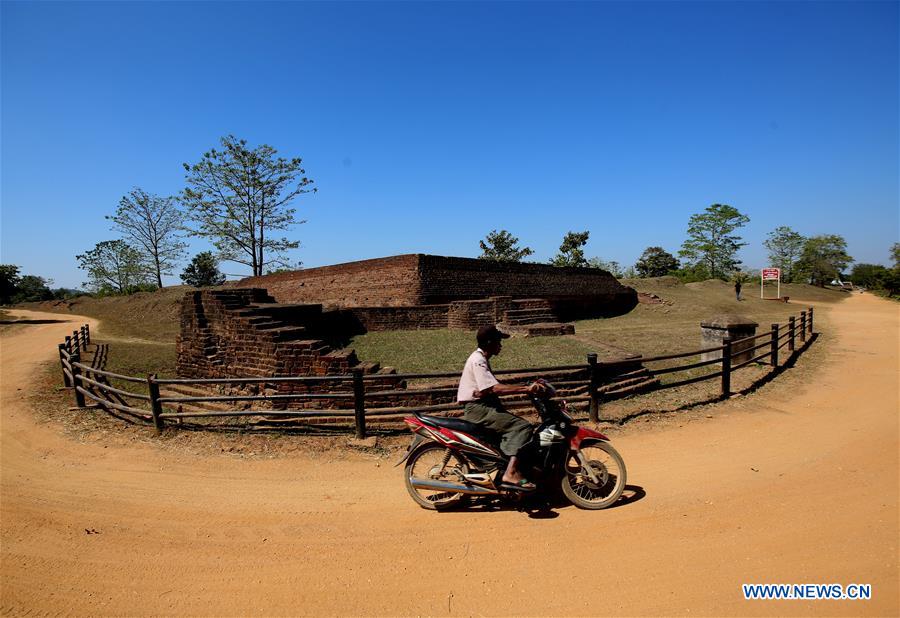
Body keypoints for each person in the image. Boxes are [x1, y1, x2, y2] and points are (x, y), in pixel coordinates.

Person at [457, 324, 543, 491]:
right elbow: (492, 388)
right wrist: (525, 389)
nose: (500, 345)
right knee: (522, 426)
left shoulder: (481, 358)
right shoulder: (478, 360)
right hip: (478, 409)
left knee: (509, 423)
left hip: (484, 406)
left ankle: (509, 464)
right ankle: (510, 472)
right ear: (489, 342)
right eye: (498, 341)